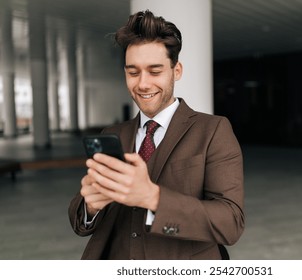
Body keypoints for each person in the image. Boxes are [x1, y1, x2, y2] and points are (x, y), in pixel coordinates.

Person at [68, 10, 245, 260]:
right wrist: (91, 206)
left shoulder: (213, 130)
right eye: (133, 72)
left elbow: (230, 224)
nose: (142, 84)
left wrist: (153, 197)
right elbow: (79, 221)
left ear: (177, 71)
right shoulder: (113, 134)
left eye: (155, 71)